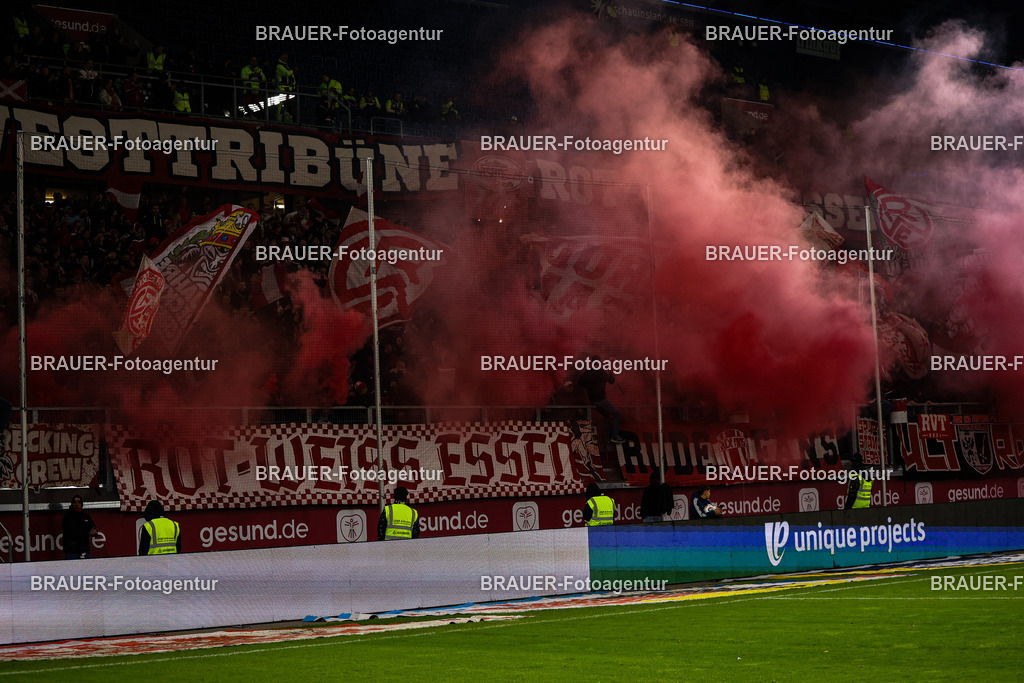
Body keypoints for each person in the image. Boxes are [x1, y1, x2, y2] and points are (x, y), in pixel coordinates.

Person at [576, 355, 624, 444]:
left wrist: (589, 386)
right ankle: (613, 436)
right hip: (601, 400)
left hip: (593, 400)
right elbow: (612, 380)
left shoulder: (588, 372)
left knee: (606, 415)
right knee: (617, 414)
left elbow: (580, 383)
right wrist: (611, 371)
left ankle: (608, 437)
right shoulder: (601, 372)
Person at [62, 495, 98, 559]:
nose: (77, 504)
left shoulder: (86, 516)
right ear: (72, 504)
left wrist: (94, 532)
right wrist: (87, 534)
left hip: (84, 551)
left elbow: (93, 529)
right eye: (75, 503)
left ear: (82, 504)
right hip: (72, 552)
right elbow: (72, 533)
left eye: (79, 503)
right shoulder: (67, 517)